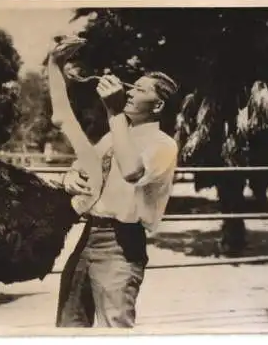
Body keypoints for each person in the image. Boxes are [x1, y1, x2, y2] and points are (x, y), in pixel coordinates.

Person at [55, 69, 180, 328]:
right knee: (69, 324)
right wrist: (70, 177)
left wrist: (115, 114)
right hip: (87, 236)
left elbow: (132, 170)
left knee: (115, 328)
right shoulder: (114, 135)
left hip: (122, 243)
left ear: (158, 105)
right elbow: (82, 166)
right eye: (132, 87)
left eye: (141, 89)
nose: (130, 92)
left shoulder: (163, 144)